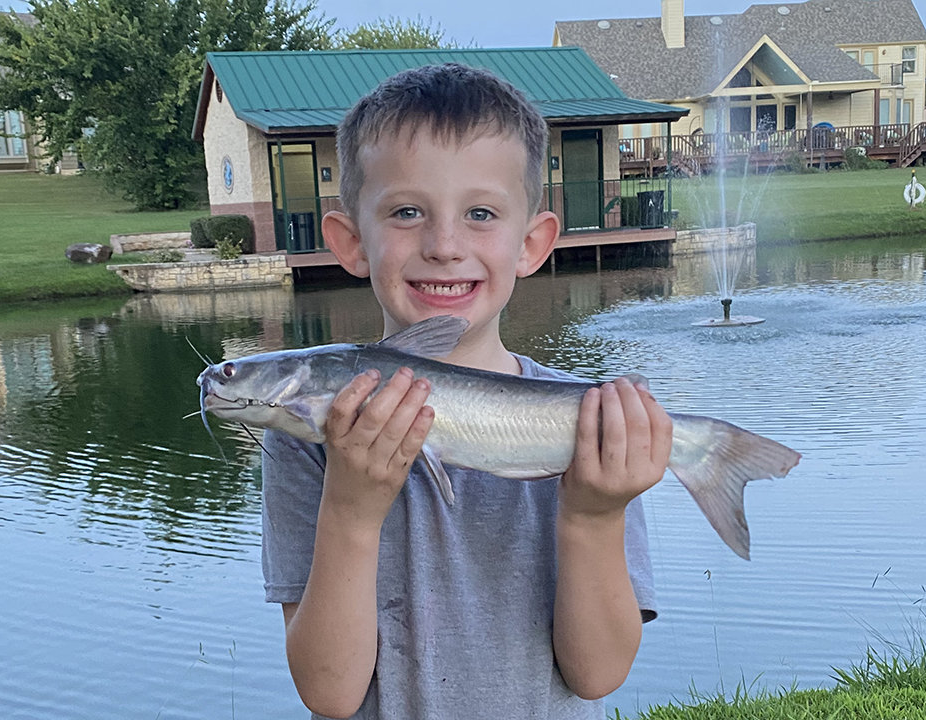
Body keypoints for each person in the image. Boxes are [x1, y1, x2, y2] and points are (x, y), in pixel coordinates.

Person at [260, 63, 672, 720]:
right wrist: (352, 509)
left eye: (480, 213)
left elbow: (596, 675)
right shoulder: (311, 432)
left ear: (532, 244)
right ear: (350, 241)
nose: (444, 246)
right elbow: (329, 693)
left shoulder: (589, 423)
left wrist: (594, 515)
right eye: (406, 211)